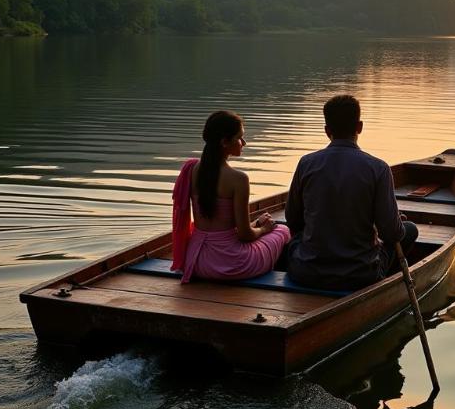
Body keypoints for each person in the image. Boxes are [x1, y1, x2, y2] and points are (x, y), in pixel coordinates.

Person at [285, 94, 418, 291]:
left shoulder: (306, 163)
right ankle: (385, 285)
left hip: (306, 271)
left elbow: (293, 220)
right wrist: (396, 223)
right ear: (360, 127)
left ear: (327, 130)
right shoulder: (378, 168)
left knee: (292, 239)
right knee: (409, 230)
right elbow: (391, 232)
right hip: (360, 275)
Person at [171, 110, 290, 283]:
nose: (244, 142)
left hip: (197, 261)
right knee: (282, 230)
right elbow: (244, 235)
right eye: (239, 138)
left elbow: (220, 227)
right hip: (232, 265)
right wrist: (264, 229)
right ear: (224, 142)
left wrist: (256, 223)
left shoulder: (191, 169)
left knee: (266, 229)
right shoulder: (238, 179)